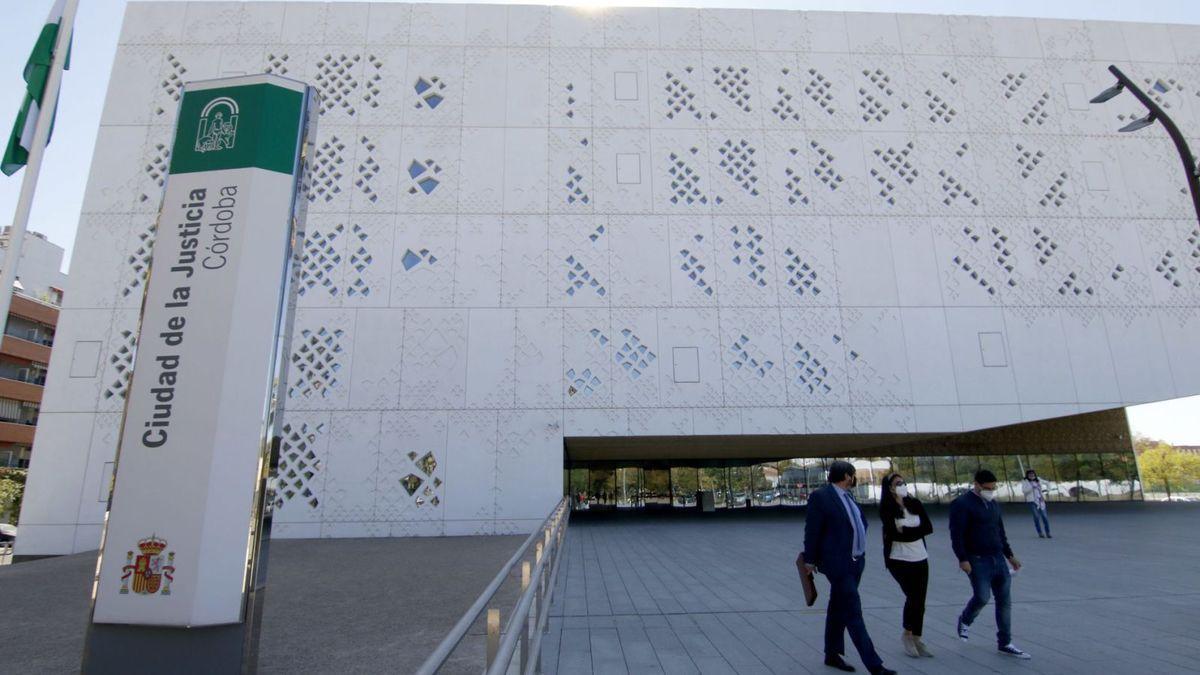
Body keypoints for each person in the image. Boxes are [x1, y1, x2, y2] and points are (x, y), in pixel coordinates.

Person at [803, 461, 896, 675]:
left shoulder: (849, 496)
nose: (854, 479)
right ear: (847, 476)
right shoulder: (822, 497)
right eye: (853, 475)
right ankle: (875, 665)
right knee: (854, 612)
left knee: (838, 608)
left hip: (855, 562)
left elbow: (858, 522)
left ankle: (832, 654)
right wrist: (810, 560)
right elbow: (812, 530)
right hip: (838, 564)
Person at [949, 469, 1031, 660]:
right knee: (982, 596)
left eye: (993, 488)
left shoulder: (993, 504)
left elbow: (999, 531)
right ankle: (966, 619)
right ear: (976, 484)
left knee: (1004, 602)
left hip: (997, 558)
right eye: (987, 488)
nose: (991, 491)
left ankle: (1005, 642)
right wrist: (963, 559)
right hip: (977, 559)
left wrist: (1009, 555)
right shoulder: (962, 504)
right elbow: (956, 534)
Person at [879, 472, 934, 658]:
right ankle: (907, 634)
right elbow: (894, 534)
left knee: (921, 599)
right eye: (897, 483)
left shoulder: (915, 503)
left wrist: (907, 530)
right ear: (890, 488)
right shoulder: (887, 508)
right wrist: (913, 531)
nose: (902, 485)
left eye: (903, 482)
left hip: (920, 556)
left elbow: (928, 528)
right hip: (899, 559)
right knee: (913, 596)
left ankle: (917, 636)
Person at [1020, 469, 1052, 538]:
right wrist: (1031, 487)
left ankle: (1048, 532)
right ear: (1027, 475)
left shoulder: (1038, 479)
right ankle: (1040, 532)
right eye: (1030, 474)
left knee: (1045, 517)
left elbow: (1047, 483)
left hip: (1040, 500)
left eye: (1033, 474)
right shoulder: (1025, 481)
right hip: (1032, 502)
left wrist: (1048, 490)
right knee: (1036, 517)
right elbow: (1024, 491)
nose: (1031, 475)